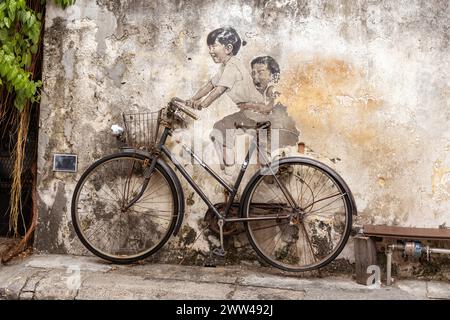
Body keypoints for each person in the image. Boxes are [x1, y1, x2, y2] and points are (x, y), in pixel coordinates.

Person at [186, 27, 264, 171]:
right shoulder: (225, 67)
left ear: (228, 48)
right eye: (209, 47)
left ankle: (230, 169)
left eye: (214, 46)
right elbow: (210, 85)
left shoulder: (233, 66)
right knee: (218, 129)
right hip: (249, 111)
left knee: (222, 129)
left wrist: (203, 104)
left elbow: (219, 89)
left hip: (256, 111)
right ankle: (228, 166)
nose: (210, 50)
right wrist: (192, 99)